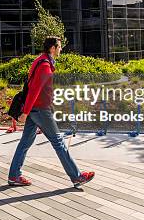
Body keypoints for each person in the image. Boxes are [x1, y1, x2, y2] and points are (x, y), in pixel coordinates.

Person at [8, 36, 95, 188]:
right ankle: (77, 176)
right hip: (40, 110)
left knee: (25, 142)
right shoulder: (45, 66)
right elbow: (35, 90)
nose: (61, 49)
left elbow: (38, 89)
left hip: (36, 109)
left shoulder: (40, 60)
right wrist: (25, 112)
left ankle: (14, 175)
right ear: (52, 48)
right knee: (58, 142)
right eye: (59, 47)